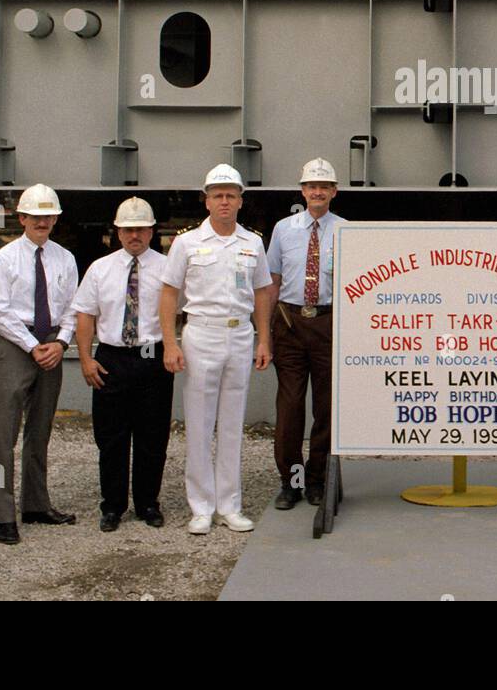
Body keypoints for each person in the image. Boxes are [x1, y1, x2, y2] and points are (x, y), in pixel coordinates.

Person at [160, 164, 273, 535]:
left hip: (239, 334)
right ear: (206, 200)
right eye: (217, 195)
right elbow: (169, 293)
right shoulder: (187, 242)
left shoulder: (252, 242)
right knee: (199, 422)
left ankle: (230, 504)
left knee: (231, 424)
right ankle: (201, 506)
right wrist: (170, 343)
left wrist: (263, 338)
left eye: (231, 195)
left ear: (241, 200)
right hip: (201, 335)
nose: (224, 201)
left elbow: (261, 292)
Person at [73, 197, 173, 532]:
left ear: (151, 231)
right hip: (112, 358)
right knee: (111, 437)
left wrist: (174, 348)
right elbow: (85, 314)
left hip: (150, 356)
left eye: (141, 229)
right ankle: (112, 506)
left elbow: (180, 312)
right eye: (128, 230)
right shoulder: (100, 269)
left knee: (152, 436)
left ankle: (148, 503)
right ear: (118, 232)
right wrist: (86, 358)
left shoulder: (167, 268)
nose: (135, 236)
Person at [0, 183, 79, 544]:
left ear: (56, 218)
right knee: (3, 434)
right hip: (14, 344)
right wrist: (31, 346)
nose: (42, 222)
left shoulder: (65, 259)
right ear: (21, 217)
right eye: (35, 216)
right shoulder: (4, 259)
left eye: (48, 216)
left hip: (51, 345)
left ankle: (36, 504)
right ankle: (1, 511)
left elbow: (74, 306)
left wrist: (60, 342)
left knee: (39, 431)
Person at [266, 158, 346, 510]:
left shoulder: (346, 230)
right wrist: (265, 335)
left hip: (328, 324)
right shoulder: (283, 229)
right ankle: (291, 481)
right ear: (302, 190)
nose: (317, 191)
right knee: (290, 407)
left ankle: (317, 482)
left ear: (334, 191)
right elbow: (273, 281)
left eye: (324, 186)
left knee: (326, 409)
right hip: (290, 323)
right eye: (311, 186)